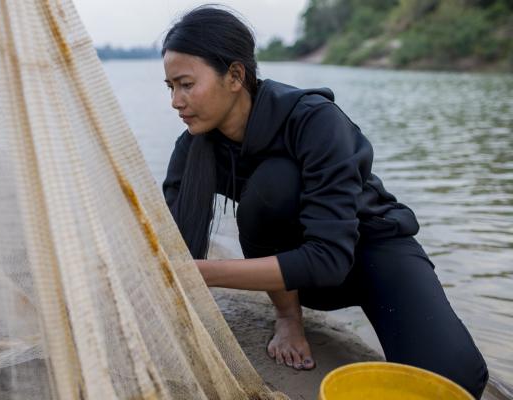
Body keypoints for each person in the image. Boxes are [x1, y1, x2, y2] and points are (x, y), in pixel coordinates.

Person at [160, 5, 489, 399]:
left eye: (185, 84)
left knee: (457, 378)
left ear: (234, 76)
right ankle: (288, 317)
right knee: (271, 187)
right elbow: (167, 235)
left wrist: (203, 273)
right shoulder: (194, 146)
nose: (176, 101)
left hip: (372, 252)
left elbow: (330, 259)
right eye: (170, 87)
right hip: (300, 281)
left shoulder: (314, 120)